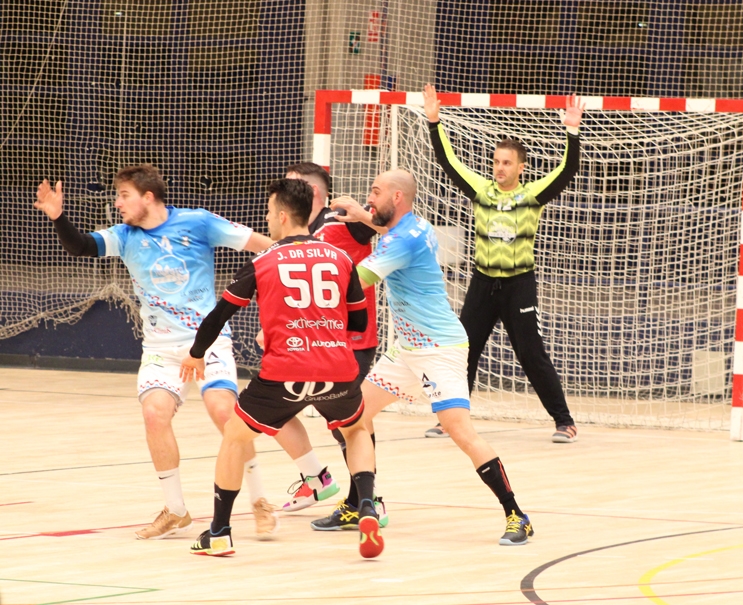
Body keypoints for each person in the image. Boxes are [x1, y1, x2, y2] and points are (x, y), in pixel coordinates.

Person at [33, 165, 278, 539]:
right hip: (161, 348)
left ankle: (260, 500)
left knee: (224, 413)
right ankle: (176, 509)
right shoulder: (124, 235)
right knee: (154, 415)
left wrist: (276, 300)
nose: (117, 204)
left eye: (124, 195)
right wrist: (57, 216)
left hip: (207, 341)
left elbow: (267, 247)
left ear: (148, 197)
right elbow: (81, 246)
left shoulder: (198, 222)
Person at [180, 178, 384, 558]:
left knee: (235, 437)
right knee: (356, 429)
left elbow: (219, 315)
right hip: (337, 369)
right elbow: (358, 323)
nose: (267, 218)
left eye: (270, 211)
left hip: (284, 371)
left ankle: (220, 532)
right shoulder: (340, 258)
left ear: (284, 215)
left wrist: (196, 353)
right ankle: (368, 506)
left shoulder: (263, 261)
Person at [329, 169, 533, 546]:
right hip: (407, 350)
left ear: (397, 198)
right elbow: (388, 228)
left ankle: (516, 514)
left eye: (375, 192)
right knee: (353, 417)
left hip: (439, 348)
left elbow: (356, 282)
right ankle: (361, 503)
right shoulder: (417, 225)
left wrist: (314, 266)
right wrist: (361, 215)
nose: (369, 198)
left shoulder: (400, 242)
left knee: (460, 431)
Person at [420, 85, 583, 443]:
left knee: (531, 354)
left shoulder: (532, 195)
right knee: (463, 350)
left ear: (520, 168)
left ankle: (564, 421)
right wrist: (434, 122)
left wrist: (572, 131)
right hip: (482, 284)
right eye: (496, 161)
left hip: (518, 286)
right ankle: (450, 420)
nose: (499, 167)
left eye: (506, 163)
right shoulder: (481, 191)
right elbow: (450, 162)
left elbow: (567, 170)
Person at [271, 163, 388, 525]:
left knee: (350, 423)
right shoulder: (295, 234)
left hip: (351, 339)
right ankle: (321, 480)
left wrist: (362, 213)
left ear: (312, 192)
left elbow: (390, 224)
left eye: (290, 185)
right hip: (311, 341)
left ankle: (367, 500)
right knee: (271, 409)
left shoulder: (342, 220)